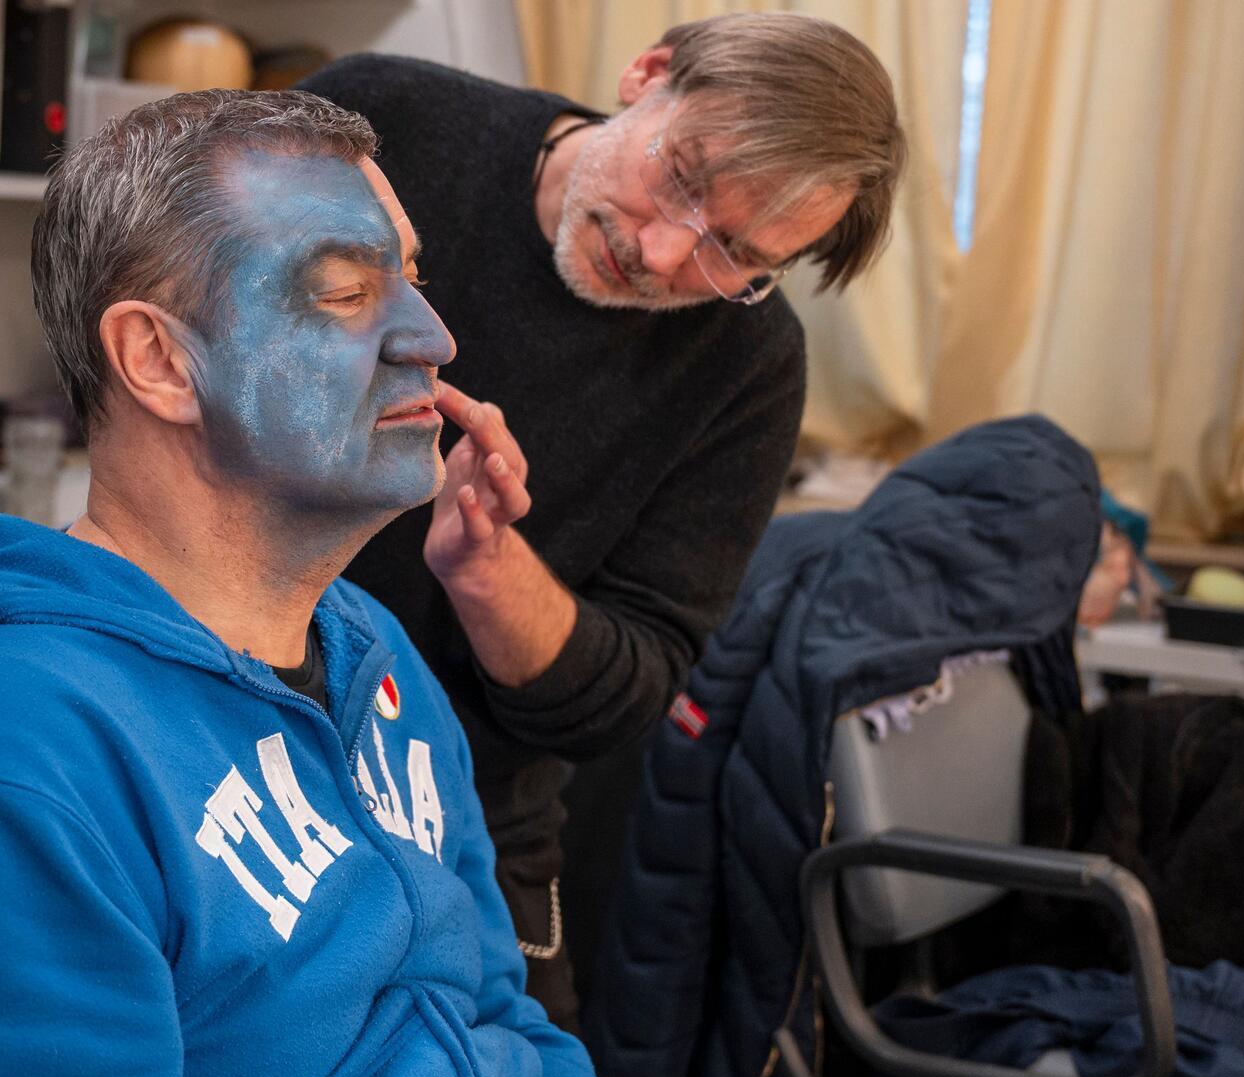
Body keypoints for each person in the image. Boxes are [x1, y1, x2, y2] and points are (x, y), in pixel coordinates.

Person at [0, 89, 778, 1077]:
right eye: (346, 293)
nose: (433, 339)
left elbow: (494, 1014)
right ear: (157, 360)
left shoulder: (372, 659)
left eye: (412, 278)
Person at [298, 14, 906, 1025]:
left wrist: (488, 568)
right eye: (681, 178)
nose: (663, 254)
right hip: (214, 726)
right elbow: (157, 283)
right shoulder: (385, 121)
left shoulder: (746, 369)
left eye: (736, 254)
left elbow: (622, 697)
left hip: (465, 815)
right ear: (646, 74)